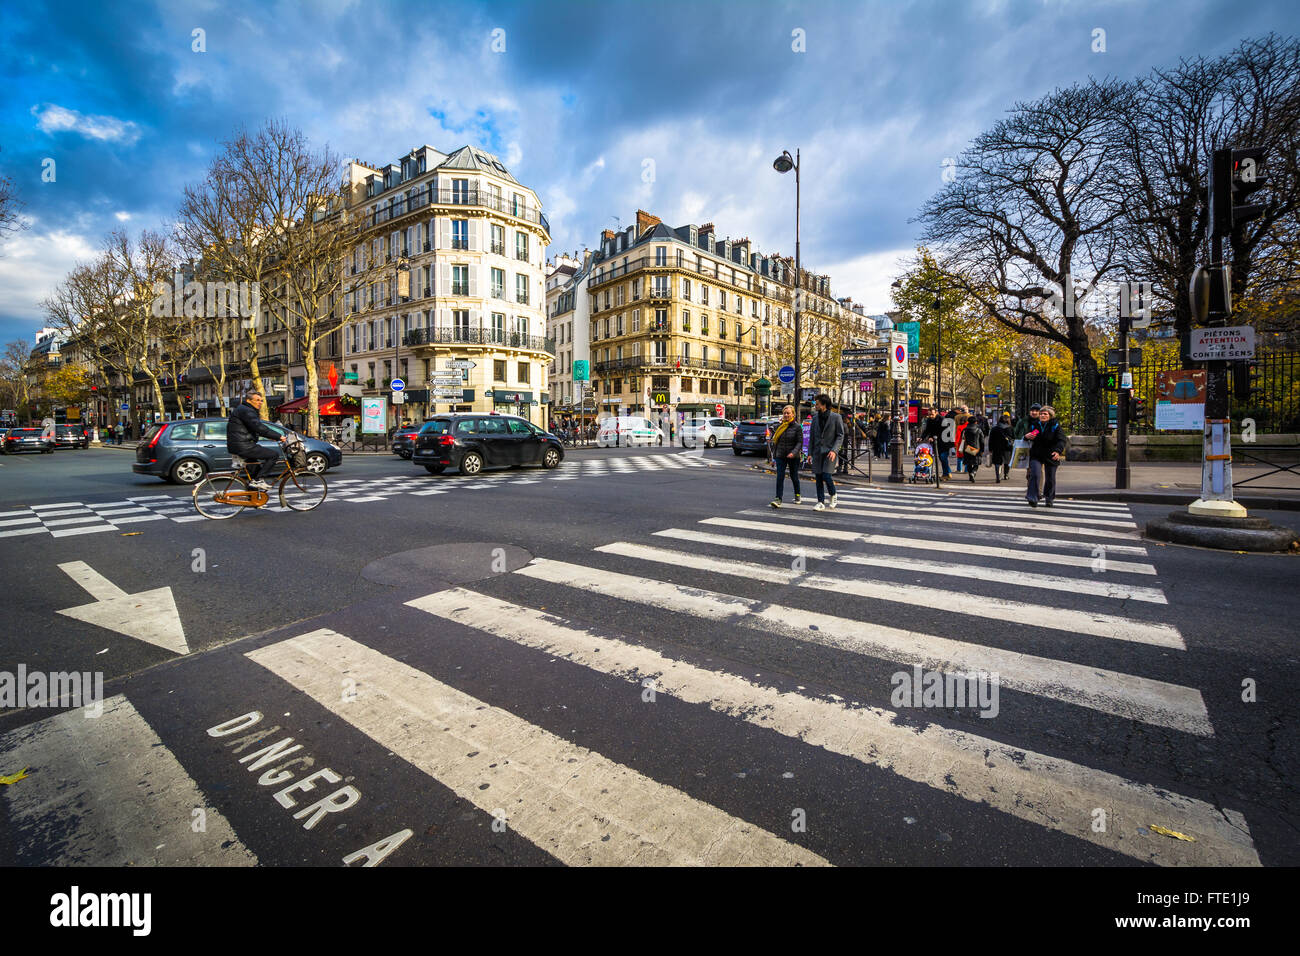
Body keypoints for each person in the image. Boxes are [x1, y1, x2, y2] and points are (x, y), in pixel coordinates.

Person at [228, 391, 289, 491]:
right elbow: (258, 427)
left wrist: (269, 436)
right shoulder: (247, 410)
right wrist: (279, 436)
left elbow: (252, 428)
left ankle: (254, 499)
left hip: (239, 444)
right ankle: (258, 480)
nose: (260, 402)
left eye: (261, 400)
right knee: (273, 455)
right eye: (257, 400)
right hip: (244, 445)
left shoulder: (244, 409)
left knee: (255, 473)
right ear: (248, 400)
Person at [1024, 404, 1066, 507]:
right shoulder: (1036, 425)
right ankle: (1033, 497)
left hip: (1051, 454)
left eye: (1045, 414)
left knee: (1050, 478)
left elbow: (1061, 440)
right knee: (1035, 474)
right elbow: (1030, 435)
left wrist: (1058, 451)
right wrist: (1026, 436)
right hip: (1037, 454)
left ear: (1050, 415)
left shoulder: (1055, 426)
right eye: (1041, 413)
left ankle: (1049, 498)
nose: (1042, 415)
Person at [808, 394, 845, 511]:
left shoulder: (836, 417)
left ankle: (833, 494)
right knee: (818, 477)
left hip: (830, 452)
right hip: (817, 451)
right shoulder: (814, 418)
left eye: (817, 404)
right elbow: (812, 437)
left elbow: (840, 435)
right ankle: (820, 502)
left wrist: (834, 450)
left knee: (827, 475)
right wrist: (809, 453)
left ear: (823, 405)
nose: (815, 406)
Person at [768, 405, 803, 508]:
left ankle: (797, 495)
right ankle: (778, 498)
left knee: (794, 476)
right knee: (780, 476)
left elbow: (800, 442)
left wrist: (794, 452)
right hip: (781, 455)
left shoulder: (797, 427)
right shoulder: (780, 426)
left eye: (788, 413)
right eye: (785, 413)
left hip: (793, 456)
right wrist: (773, 458)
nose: (786, 415)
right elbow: (776, 443)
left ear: (793, 414)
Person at [989, 413, 1014, 482]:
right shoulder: (1010, 428)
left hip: (996, 448)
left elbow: (991, 439)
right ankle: (1006, 475)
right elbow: (1014, 438)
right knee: (1007, 462)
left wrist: (990, 449)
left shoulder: (994, 429)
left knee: (997, 462)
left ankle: (998, 476)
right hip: (1007, 448)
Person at [961, 415, 985, 482]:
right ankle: (973, 472)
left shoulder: (964, 430)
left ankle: (970, 474)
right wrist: (982, 449)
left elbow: (962, 439)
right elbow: (982, 441)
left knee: (968, 463)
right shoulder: (978, 430)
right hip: (976, 449)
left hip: (967, 448)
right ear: (976, 422)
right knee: (976, 463)